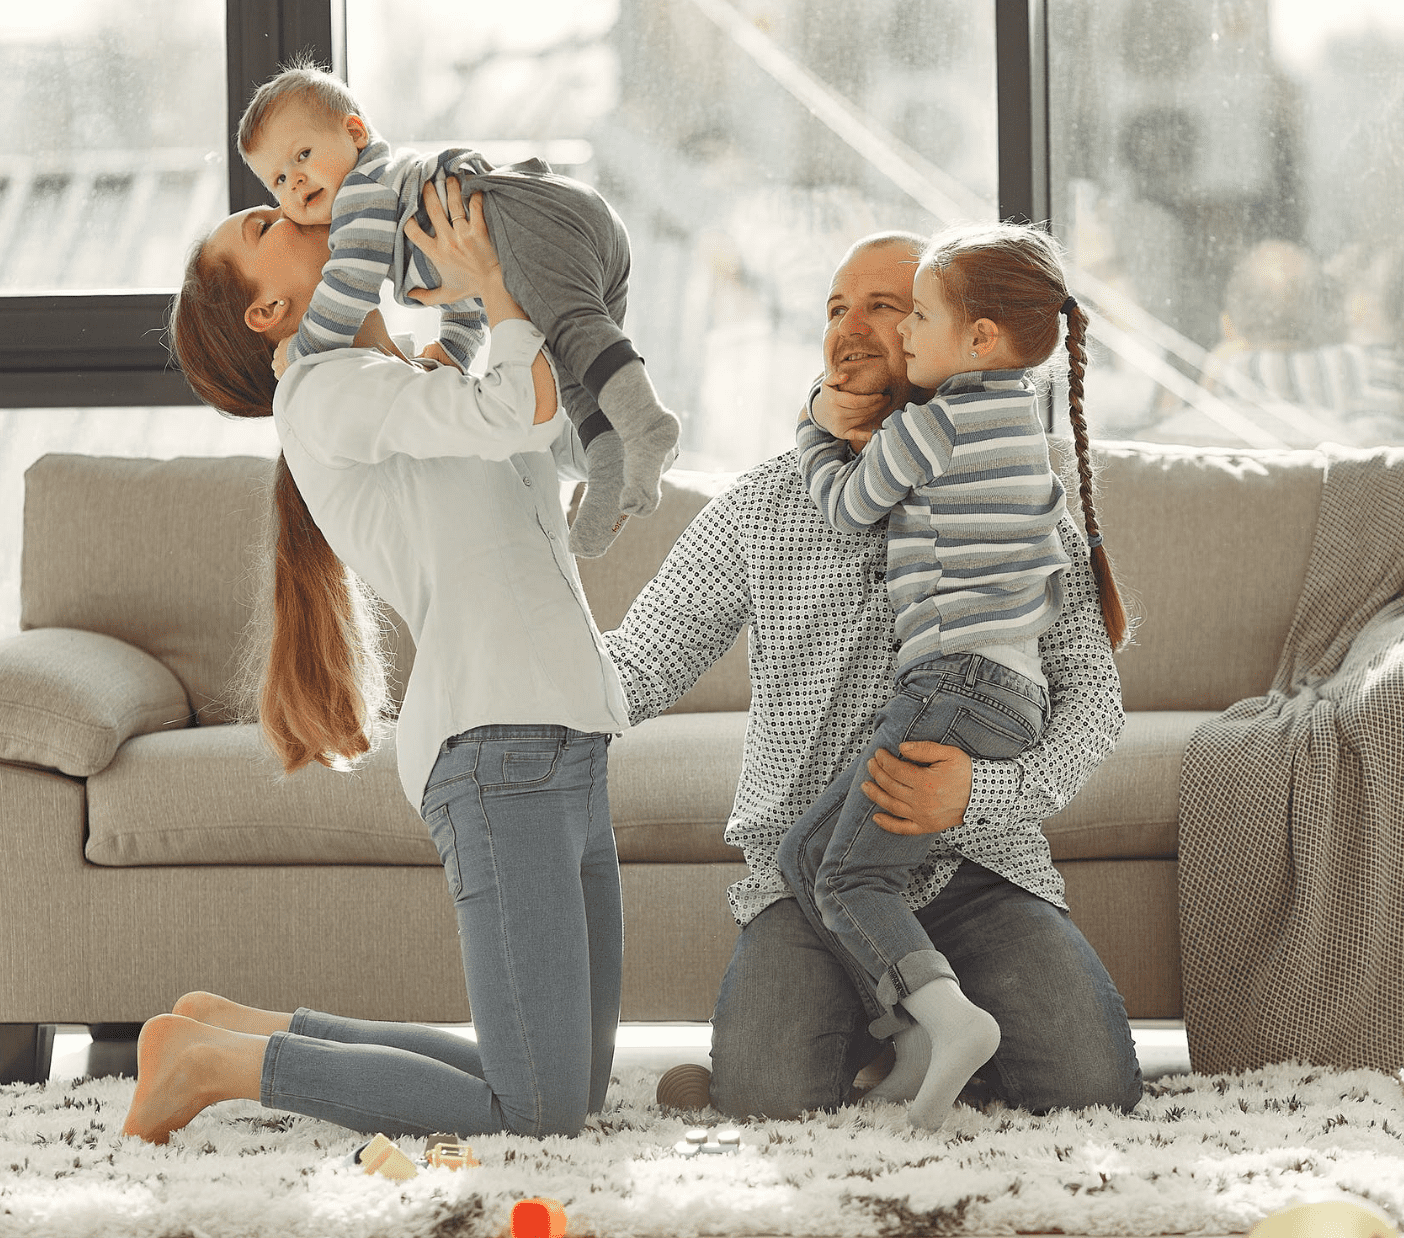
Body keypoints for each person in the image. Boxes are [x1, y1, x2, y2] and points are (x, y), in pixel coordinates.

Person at [121, 176, 630, 1144]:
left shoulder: (431, 372)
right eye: (268, 222)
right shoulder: (320, 391)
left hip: (568, 730)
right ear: (272, 310)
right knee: (539, 1109)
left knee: (573, 1085)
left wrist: (513, 293)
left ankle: (238, 1027)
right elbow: (516, 414)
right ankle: (226, 1066)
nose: (304, 207)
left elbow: (557, 435)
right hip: (496, 745)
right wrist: (499, 293)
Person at [605, 229, 1142, 1123]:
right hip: (810, 880)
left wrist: (979, 794)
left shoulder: (1018, 483)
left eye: (884, 308)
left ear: (948, 333)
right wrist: (513, 681)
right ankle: (870, 1037)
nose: (847, 328)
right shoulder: (765, 501)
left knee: (1094, 1093)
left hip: (974, 866)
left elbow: (1092, 695)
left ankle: (906, 1035)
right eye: (834, 308)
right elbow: (640, 659)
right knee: (770, 1102)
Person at [776, 222, 1127, 1132]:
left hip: (952, 688)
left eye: (907, 314)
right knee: (806, 857)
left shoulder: (935, 425)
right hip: (1002, 695)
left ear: (976, 337)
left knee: (846, 878)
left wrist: (816, 431)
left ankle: (942, 1024)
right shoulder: (1023, 425)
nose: (889, 336)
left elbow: (854, 505)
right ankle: (916, 1026)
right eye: (841, 311)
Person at [239, 58, 679, 557]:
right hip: (567, 223)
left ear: (355, 132)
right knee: (574, 364)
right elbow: (466, 299)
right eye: (276, 180)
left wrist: (304, 349)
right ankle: (611, 461)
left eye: (302, 155)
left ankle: (647, 424)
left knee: (576, 332)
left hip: (527, 217)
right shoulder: (405, 199)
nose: (293, 183)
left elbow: (349, 285)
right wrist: (453, 350)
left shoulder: (361, 195)